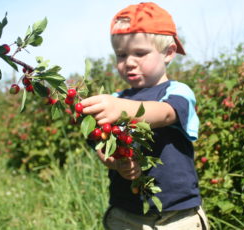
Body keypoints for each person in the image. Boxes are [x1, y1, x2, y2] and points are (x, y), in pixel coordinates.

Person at [81, 2, 209, 229]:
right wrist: (114, 162)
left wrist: (119, 109)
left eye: (140, 53)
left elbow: (166, 114)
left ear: (168, 53)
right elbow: (100, 144)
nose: (129, 62)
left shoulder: (177, 91)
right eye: (121, 55)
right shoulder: (115, 97)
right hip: (126, 214)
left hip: (178, 216)